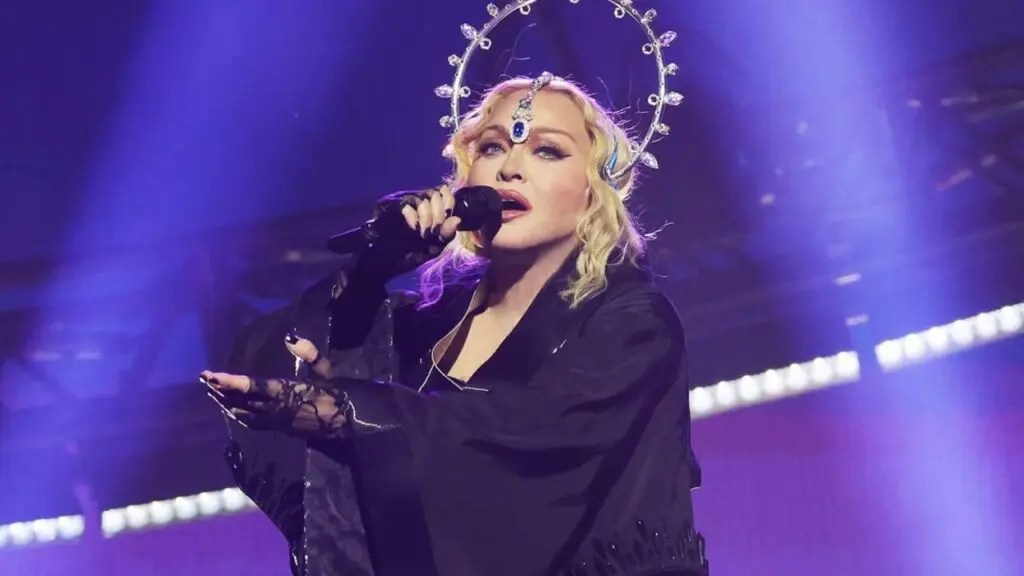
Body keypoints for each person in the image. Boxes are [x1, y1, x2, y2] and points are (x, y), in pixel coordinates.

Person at [202, 73, 708, 576]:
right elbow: (269, 361)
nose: (510, 168)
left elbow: (528, 441)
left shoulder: (632, 324)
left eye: (547, 151)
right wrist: (370, 270)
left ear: (595, 191)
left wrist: (348, 411)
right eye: (492, 147)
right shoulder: (420, 323)